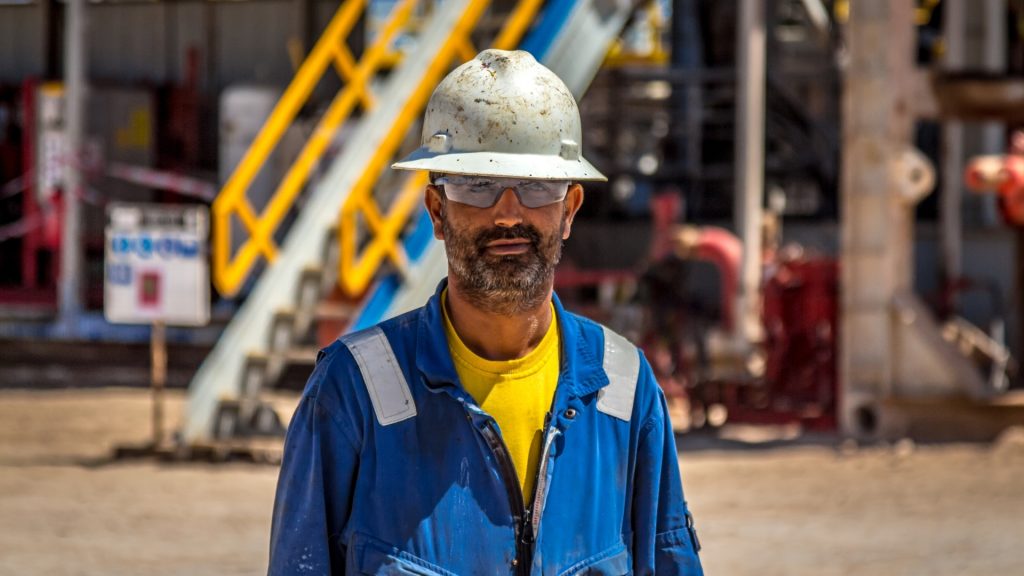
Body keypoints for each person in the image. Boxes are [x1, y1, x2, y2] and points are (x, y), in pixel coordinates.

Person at [268, 49, 703, 576]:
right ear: (436, 210)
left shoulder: (623, 391)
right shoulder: (353, 394)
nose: (507, 212)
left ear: (568, 211)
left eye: (537, 186)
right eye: (476, 185)